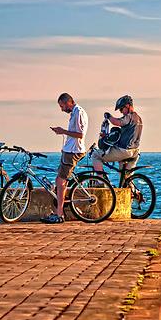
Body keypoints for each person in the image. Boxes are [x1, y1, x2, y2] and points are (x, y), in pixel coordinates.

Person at [41, 93, 89, 224]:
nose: (62, 109)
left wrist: (63, 131)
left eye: (62, 106)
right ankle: (58, 211)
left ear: (69, 102)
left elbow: (80, 134)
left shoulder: (78, 112)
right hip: (69, 150)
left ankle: (59, 214)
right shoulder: (74, 113)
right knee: (60, 180)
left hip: (73, 152)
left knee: (61, 181)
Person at [92, 94, 143, 174]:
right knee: (126, 177)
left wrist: (109, 116)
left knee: (95, 155)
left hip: (124, 151)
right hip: (135, 152)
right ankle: (129, 186)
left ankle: (100, 182)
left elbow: (117, 122)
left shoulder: (129, 116)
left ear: (127, 106)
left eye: (121, 109)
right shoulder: (139, 118)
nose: (121, 112)